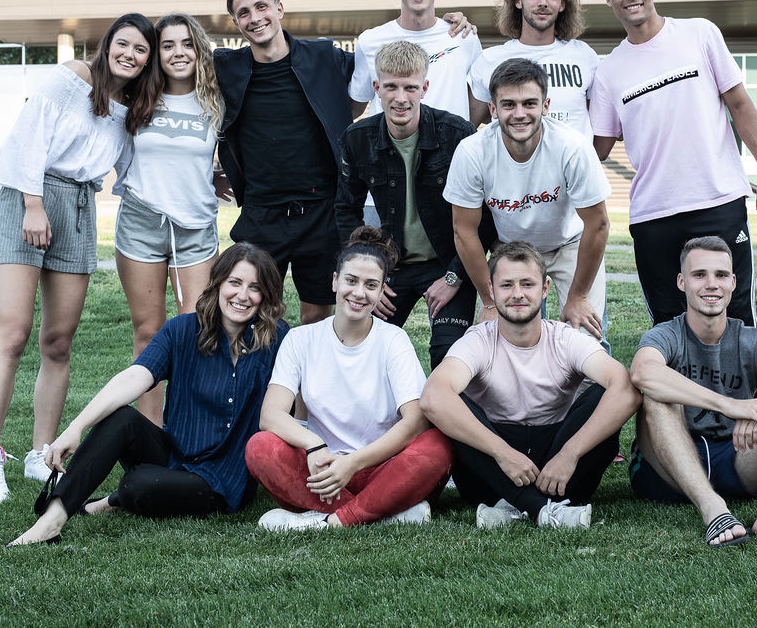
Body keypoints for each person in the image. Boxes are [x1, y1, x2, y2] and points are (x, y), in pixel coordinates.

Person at [0, 13, 161, 506]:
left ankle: (41, 452)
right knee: (12, 334)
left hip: (79, 207)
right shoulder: (70, 78)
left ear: (148, 60)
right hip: (28, 197)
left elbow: (131, 171)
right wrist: (33, 205)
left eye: (141, 50)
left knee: (58, 341)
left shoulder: (130, 107)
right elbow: (26, 141)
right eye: (123, 44)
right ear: (107, 45)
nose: (130, 55)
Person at [7, 242, 289, 545]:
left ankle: (113, 500)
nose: (242, 295)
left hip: (223, 480)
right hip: (176, 453)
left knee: (138, 485)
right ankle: (52, 520)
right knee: (122, 419)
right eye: (234, 282)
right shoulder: (182, 330)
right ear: (218, 283)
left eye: (255, 288)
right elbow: (135, 377)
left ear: (266, 296)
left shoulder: (278, 339)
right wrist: (76, 427)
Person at [590, 0, 757, 327]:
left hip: (718, 200)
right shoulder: (608, 71)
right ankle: (682, 389)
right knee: (669, 323)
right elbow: (596, 149)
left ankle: (746, 390)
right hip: (653, 215)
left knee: (735, 316)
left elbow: (741, 105)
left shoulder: (699, 33)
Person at [629, 236, 757, 546]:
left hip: (739, 458)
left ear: (733, 282)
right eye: (699, 275)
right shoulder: (665, 334)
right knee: (658, 396)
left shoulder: (751, 341)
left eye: (720, 275)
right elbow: (642, 373)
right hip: (667, 471)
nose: (711, 284)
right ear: (681, 282)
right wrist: (730, 405)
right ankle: (713, 510)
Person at [420, 241, 639, 528]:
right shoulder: (478, 340)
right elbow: (433, 397)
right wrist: (503, 453)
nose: (518, 294)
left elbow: (626, 389)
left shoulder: (564, 338)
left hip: (559, 470)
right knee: (452, 403)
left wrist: (569, 455)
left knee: (605, 394)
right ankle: (544, 511)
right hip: (492, 471)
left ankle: (511, 509)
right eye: (507, 285)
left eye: (527, 284)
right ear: (492, 290)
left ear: (545, 289)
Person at [245, 227, 453, 530]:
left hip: (382, 465)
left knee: (437, 446)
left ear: (382, 291)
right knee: (261, 447)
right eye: (351, 281)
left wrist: (354, 463)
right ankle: (383, 512)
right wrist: (315, 446)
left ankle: (332, 521)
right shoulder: (301, 339)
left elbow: (416, 421)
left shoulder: (393, 339)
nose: (359, 293)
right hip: (323, 470)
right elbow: (271, 415)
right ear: (334, 281)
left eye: (371, 285)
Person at [214, 0, 357, 326]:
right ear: (235, 23)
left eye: (262, 6)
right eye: (244, 12)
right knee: (253, 311)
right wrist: (211, 171)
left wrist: (446, 25)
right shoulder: (226, 67)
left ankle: (307, 383)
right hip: (262, 212)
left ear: (279, 8)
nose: (255, 17)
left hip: (321, 209)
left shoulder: (324, 57)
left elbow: (390, 56)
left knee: (318, 314)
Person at [335, 40, 483, 369]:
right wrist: (369, 273)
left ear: (425, 87)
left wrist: (453, 278)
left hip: (449, 262)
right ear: (376, 87)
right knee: (359, 349)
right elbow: (346, 210)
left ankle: (442, 420)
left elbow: (481, 219)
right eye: (391, 87)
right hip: (391, 264)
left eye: (410, 87)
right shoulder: (357, 138)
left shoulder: (458, 134)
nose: (401, 98)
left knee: (449, 357)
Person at [444, 58, 611, 345]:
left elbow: (597, 225)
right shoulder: (472, 152)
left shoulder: (572, 147)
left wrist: (578, 296)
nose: (519, 114)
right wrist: (490, 300)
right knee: (506, 338)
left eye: (529, 103)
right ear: (493, 110)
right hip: (511, 249)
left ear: (545, 106)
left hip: (569, 244)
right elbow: (464, 231)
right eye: (508, 104)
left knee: (585, 338)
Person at [114, 13, 223, 425]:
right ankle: (151, 433)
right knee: (148, 334)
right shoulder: (137, 97)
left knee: (195, 333)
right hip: (142, 223)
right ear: (156, 54)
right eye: (168, 45)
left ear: (199, 49)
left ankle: (186, 430)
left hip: (195, 227)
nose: (178, 53)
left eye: (186, 44)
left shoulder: (215, 99)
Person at [348, 0, 482, 124]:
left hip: (450, 151)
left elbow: (478, 103)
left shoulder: (464, 37)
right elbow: (354, 106)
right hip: (389, 152)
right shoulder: (371, 41)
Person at [469, 0, 599, 138]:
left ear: (562, 4)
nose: (543, 2)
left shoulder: (584, 55)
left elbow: (602, 126)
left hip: (571, 166)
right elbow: (465, 127)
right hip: (511, 166)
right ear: (518, 0)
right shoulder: (490, 60)